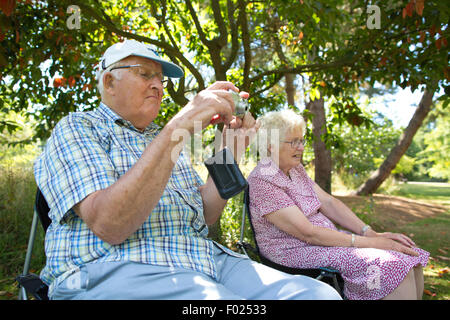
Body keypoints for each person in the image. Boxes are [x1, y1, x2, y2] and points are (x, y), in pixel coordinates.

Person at [33, 40, 341, 300]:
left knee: (320, 295)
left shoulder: (161, 138)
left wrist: (230, 150)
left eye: (160, 79)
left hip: (203, 260)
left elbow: (204, 215)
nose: (157, 84)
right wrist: (179, 125)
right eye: (144, 74)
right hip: (114, 267)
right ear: (109, 82)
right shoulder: (77, 128)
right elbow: (110, 224)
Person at [247, 109, 429, 300]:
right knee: (391, 264)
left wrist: (370, 233)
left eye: (302, 141)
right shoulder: (263, 179)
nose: (301, 147)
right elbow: (308, 233)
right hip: (295, 251)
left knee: (410, 256)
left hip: (325, 244)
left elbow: (328, 202)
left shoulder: (295, 169)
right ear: (270, 146)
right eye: (294, 142)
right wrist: (372, 243)